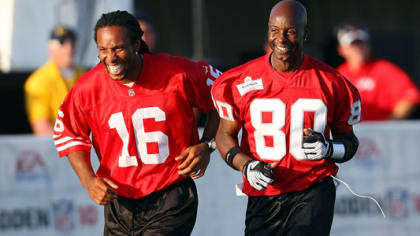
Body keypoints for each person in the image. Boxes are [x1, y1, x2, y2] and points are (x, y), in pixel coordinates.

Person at [53, 10, 220, 235]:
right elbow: (68, 133)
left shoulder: (177, 72)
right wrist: (89, 180)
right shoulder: (87, 87)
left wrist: (208, 144)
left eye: (118, 48)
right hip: (119, 203)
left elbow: (226, 97)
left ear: (137, 44)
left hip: (170, 195)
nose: (110, 58)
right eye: (103, 50)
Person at [211, 1, 361, 235]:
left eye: (290, 31)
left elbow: (350, 143)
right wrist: (246, 165)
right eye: (274, 30)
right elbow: (224, 135)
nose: (281, 39)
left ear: (305, 33)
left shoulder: (333, 83)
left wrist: (328, 149)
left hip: (312, 189)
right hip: (264, 192)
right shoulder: (239, 81)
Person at [336, 23, 420, 121]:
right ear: (341, 50)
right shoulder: (338, 75)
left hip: (381, 133)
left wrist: (388, 125)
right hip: (350, 133)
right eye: (353, 44)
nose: (358, 48)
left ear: (369, 45)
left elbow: (411, 97)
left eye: (362, 43)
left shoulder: (384, 69)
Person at [24, 25, 85, 135]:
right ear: (50, 48)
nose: (69, 48)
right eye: (62, 43)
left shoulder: (85, 76)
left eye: (72, 42)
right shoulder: (38, 81)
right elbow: (42, 128)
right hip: (57, 149)